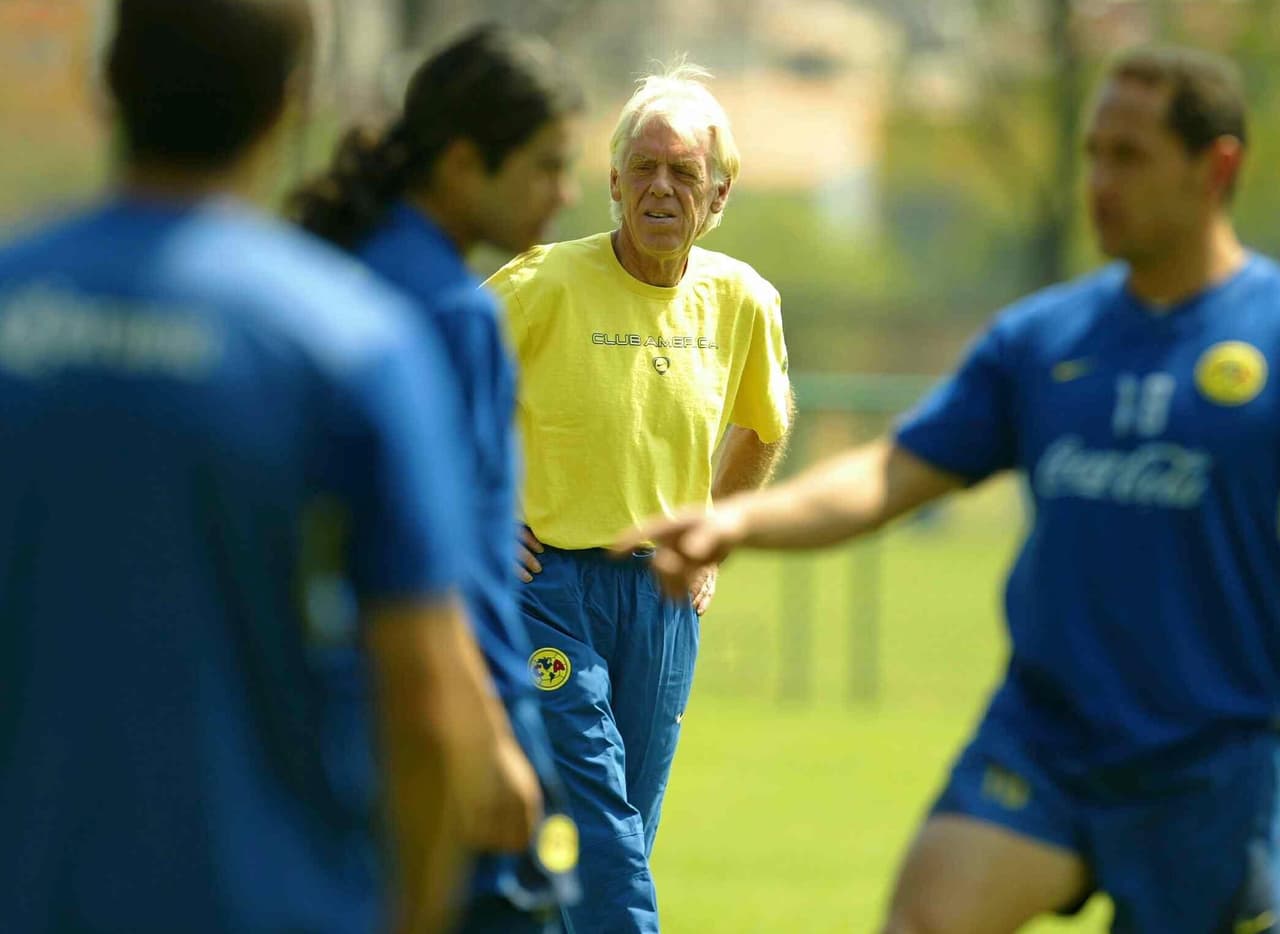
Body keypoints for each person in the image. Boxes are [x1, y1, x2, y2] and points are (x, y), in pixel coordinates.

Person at [620, 45, 1280, 933]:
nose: (1100, 181)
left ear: (1218, 168)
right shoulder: (1047, 340)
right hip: (1049, 744)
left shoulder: (1268, 335)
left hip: (1217, 761)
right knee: (926, 919)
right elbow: (891, 473)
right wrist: (739, 516)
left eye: (1129, 157)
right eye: (1092, 154)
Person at [0, 3, 540, 932]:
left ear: (107, 83)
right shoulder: (352, 343)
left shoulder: (15, 305)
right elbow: (421, 693)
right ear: (290, 103)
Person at [485, 62, 793, 933]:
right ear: (613, 183)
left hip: (660, 596)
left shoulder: (742, 301)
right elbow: (429, 389)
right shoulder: (540, 284)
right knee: (602, 822)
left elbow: (763, 427)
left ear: (720, 194)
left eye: (685, 173)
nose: (662, 188)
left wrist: (714, 535)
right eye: (645, 170)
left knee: (621, 829)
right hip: (545, 591)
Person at [290, 24, 584, 934]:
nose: (564, 194)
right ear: (463, 165)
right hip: (446, 725)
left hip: (321, 720)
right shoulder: (452, 314)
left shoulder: (325, 269)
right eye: (544, 166)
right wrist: (495, 738)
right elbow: (447, 563)